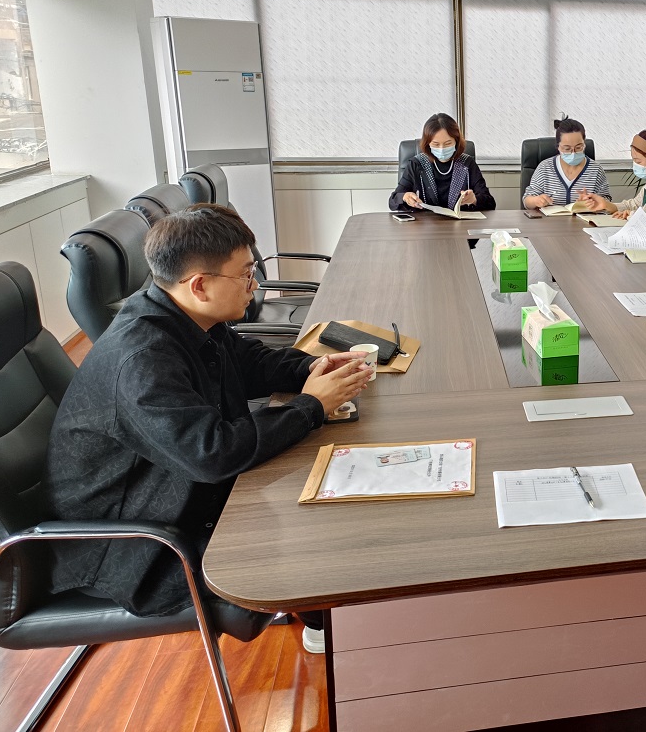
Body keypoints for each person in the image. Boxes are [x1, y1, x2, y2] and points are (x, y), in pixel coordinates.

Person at [44, 204, 372, 653]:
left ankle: (320, 614)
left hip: (177, 496)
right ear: (199, 285)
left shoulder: (183, 317)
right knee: (320, 530)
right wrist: (311, 406)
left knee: (321, 488)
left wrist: (312, 368)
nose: (254, 285)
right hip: (137, 545)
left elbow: (247, 363)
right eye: (245, 274)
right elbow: (213, 454)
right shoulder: (142, 360)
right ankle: (332, 630)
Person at [390, 112, 496, 213]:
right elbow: (392, 201)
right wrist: (404, 197)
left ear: (456, 141)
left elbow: (490, 203)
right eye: (436, 144)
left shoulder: (467, 164)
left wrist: (474, 199)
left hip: (460, 223)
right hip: (426, 223)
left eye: (448, 143)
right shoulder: (417, 164)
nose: (442, 149)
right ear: (428, 144)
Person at [522, 115, 611, 209]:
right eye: (567, 149)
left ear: (584, 144)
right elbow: (527, 201)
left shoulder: (596, 170)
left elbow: (607, 201)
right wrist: (536, 200)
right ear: (558, 147)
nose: (573, 153)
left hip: (584, 218)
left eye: (578, 147)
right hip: (551, 218)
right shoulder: (544, 168)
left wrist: (593, 202)